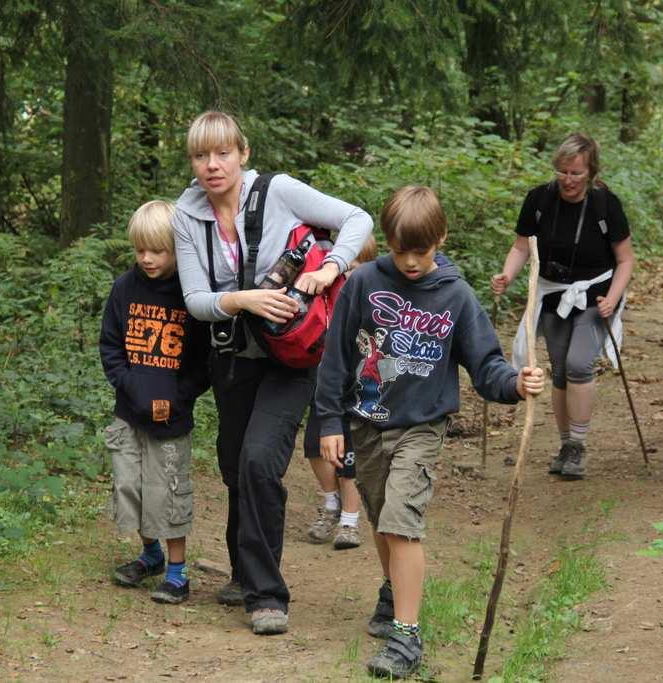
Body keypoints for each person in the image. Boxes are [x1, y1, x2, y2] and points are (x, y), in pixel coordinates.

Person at [317, 186, 545, 679]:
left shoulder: (456, 296)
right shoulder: (362, 283)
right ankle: (393, 588)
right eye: (400, 251)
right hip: (366, 422)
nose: (411, 262)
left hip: (421, 425)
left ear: (441, 237)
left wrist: (516, 384)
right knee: (381, 520)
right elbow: (335, 356)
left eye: (420, 251)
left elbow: (485, 365)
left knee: (401, 521)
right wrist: (330, 421)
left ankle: (407, 635)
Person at [172, 111, 373, 635]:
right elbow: (196, 300)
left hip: (293, 354)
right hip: (232, 357)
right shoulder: (185, 215)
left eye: (222, 153)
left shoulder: (279, 191)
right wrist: (243, 299)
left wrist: (330, 268)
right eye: (201, 156)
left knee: (261, 460)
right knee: (235, 466)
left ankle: (266, 596)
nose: (212, 165)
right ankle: (242, 572)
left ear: (243, 152)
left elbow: (358, 219)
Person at [491, 132, 634, 480]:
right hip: (553, 292)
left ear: (591, 173)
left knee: (578, 364)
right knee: (558, 369)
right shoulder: (540, 199)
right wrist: (507, 275)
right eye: (562, 172)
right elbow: (522, 246)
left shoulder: (605, 204)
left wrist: (613, 298)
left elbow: (625, 260)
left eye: (576, 174)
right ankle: (566, 443)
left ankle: (578, 448)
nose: (567, 180)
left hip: (596, 293)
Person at [99, 200, 210, 604]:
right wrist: (131, 387)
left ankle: (178, 573)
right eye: (140, 249)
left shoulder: (190, 295)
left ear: (178, 248)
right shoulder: (124, 289)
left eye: (158, 250)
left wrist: (177, 397)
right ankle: (150, 555)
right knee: (131, 486)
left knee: (168, 491)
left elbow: (204, 362)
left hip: (172, 421)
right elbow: (110, 347)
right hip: (128, 413)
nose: (147, 258)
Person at [304, 236, 377, 550]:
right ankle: (331, 504)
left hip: (357, 390)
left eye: (356, 267)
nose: (348, 275)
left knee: (349, 458)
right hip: (324, 387)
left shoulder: (372, 299)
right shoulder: (324, 296)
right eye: (342, 268)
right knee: (314, 448)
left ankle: (349, 521)